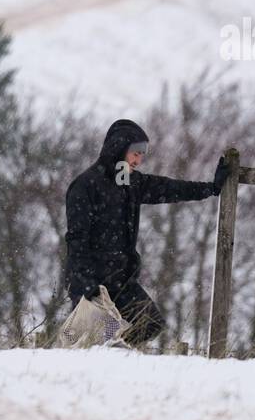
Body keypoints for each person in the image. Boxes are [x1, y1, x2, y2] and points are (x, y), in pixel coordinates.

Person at [63, 119, 228, 346]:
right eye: (136, 154)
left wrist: (211, 188)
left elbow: (171, 189)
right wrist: (84, 283)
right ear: (119, 148)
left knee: (150, 324)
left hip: (121, 281)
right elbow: (76, 240)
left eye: (143, 155)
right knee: (88, 343)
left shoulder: (132, 183)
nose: (139, 161)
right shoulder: (85, 186)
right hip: (93, 284)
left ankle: (119, 357)